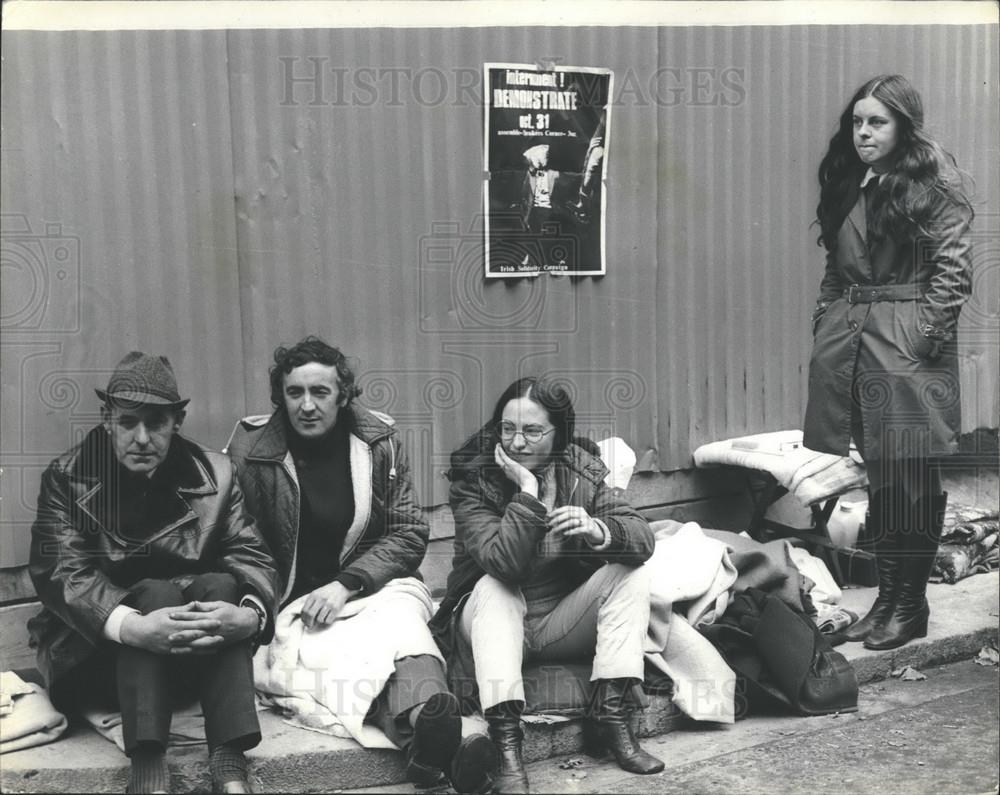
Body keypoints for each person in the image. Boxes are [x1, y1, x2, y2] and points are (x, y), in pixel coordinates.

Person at [225, 336, 497, 794]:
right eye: (295, 393)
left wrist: (346, 583)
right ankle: (434, 748)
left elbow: (408, 530)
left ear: (343, 395)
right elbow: (235, 540)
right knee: (343, 662)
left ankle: (430, 725)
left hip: (371, 588)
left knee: (404, 634)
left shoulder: (377, 441)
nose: (307, 406)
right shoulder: (252, 448)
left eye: (321, 392)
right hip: (294, 604)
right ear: (281, 397)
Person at [28, 351, 280, 794]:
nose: (142, 438)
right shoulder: (67, 478)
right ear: (108, 419)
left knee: (222, 587)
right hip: (98, 657)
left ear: (177, 422)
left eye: (156, 423)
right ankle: (148, 768)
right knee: (156, 592)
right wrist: (135, 628)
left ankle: (229, 763)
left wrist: (250, 615)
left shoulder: (218, 475)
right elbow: (60, 573)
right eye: (128, 423)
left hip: (190, 656)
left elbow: (251, 554)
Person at [429, 376, 664, 794]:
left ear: (560, 434)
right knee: (493, 587)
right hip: (489, 624)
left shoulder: (579, 469)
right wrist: (528, 491)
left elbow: (641, 538)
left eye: (533, 431)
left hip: (557, 623)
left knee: (630, 573)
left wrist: (598, 530)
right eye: (507, 428)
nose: (517, 442)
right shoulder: (474, 476)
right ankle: (506, 748)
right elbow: (503, 563)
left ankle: (610, 717)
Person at [804, 75, 974, 651]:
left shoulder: (934, 184)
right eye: (857, 121)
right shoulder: (851, 182)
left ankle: (911, 605)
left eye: (877, 122)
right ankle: (887, 601)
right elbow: (836, 266)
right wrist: (825, 315)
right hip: (853, 341)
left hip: (906, 348)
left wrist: (921, 343)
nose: (863, 132)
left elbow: (953, 274)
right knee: (882, 476)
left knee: (913, 476)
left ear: (904, 125)